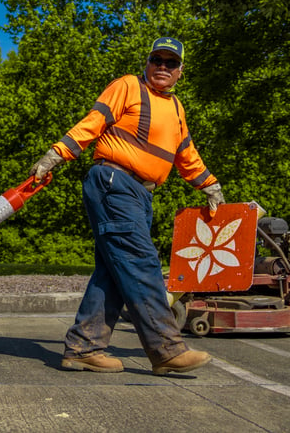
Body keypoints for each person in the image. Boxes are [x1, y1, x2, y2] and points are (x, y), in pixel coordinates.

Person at [29, 37, 225, 375]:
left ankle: (83, 348)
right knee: (140, 260)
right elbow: (93, 122)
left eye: (171, 63)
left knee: (114, 271)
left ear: (180, 71)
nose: (163, 67)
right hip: (113, 182)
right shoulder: (128, 86)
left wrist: (210, 185)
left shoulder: (176, 108)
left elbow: (186, 154)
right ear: (147, 64)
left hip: (140, 194)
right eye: (157, 61)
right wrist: (55, 155)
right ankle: (166, 349)